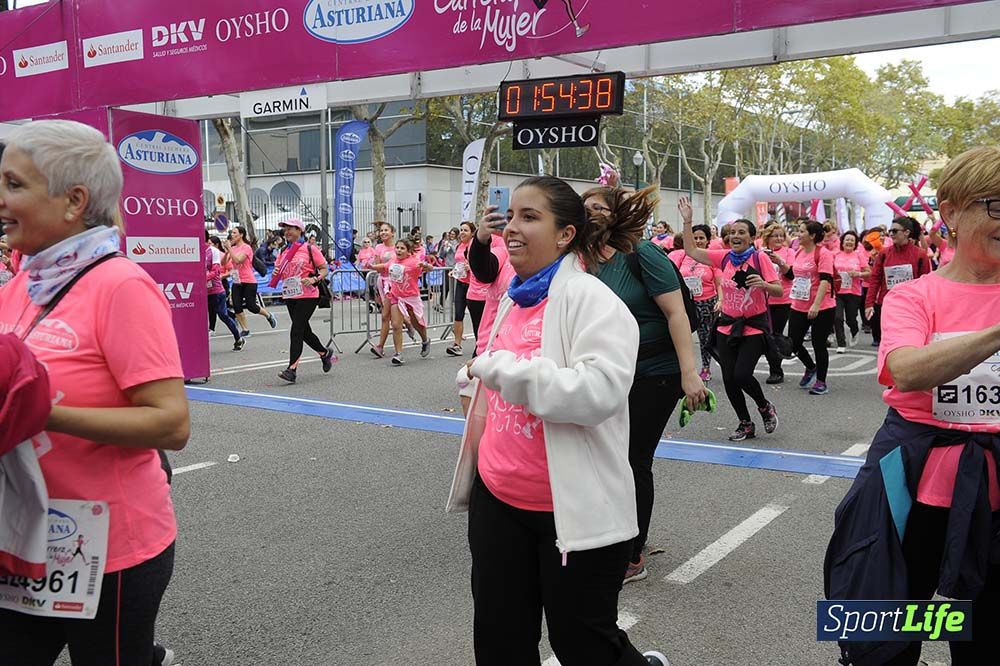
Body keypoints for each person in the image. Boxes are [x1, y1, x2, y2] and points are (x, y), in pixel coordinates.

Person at [446, 175, 668, 666]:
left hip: (571, 512)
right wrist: (475, 381)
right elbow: (497, 380)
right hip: (498, 503)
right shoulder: (515, 297)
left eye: (531, 217)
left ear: (566, 234)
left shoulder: (594, 302)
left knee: (583, 646)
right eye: (512, 217)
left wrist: (499, 370)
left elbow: (597, 393)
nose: (512, 229)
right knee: (500, 642)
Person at [0, 119, 190, 665]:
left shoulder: (121, 285)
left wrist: (46, 415)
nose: (1, 199)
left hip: (110, 550)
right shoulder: (23, 283)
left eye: (15, 185)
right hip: (26, 537)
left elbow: (171, 424)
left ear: (73, 200)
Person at [824, 146, 1000, 666]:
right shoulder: (916, 296)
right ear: (950, 211)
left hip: (994, 491)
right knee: (885, 625)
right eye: (997, 206)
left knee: (984, 631)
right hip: (913, 479)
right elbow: (906, 369)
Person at [583, 184, 708, 584]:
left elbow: (676, 315)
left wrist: (690, 374)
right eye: (583, 207)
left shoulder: (643, 255)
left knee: (633, 458)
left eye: (598, 207)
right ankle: (606, 535)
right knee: (603, 456)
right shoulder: (580, 258)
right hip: (608, 372)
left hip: (657, 372)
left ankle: (632, 554)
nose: (589, 213)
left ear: (617, 214)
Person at [681, 202, 781, 441]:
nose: (735, 236)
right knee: (728, 378)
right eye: (732, 232)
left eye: (741, 232)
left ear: (751, 237)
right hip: (726, 325)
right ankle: (745, 423)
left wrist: (764, 285)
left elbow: (778, 290)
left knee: (742, 374)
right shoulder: (725, 258)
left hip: (753, 327)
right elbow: (692, 251)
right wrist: (687, 221)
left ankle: (764, 407)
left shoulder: (760, 259)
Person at [268, 218, 337, 383]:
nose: (287, 232)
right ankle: (324, 353)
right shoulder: (284, 251)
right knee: (304, 331)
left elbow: (324, 269)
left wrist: (314, 280)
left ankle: (292, 370)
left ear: (300, 230)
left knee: (296, 330)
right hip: (290, 295)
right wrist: (276, 272)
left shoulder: (310, 249)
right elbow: (278, 272)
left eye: (290, 228)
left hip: (308, 295)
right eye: (285, 229)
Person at [784, 219, 838, 396]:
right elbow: (792, 274)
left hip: (822, 306)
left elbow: (825, 279)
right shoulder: (799, 251)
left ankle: (821, 382)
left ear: (813, 235)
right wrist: (779, 262)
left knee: (818, 344)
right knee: (793, 342)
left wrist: (816, 304)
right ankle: (810, 367)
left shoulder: (823, 254)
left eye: (801, 231)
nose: (798, 234)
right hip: (799, 303)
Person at [865, 216, 932, 348]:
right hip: (888, 304)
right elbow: (875, 279)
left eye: (895, 231)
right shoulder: (884, 254)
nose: (891, 234)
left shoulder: (920, 254)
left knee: (909, 341)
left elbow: (925, 283)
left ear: (906, 232)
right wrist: (869, 303)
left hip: (911, 306)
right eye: (890, 231)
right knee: (889, 342)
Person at [668, 222, 722, 381]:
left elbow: (720, 282)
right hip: (686, 303)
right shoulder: (681, 255)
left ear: (707, 240)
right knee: (680, 335)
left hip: (706, 302)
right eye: (695, 238)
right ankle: (681, 368)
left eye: (701, 238)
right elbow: (673, 277)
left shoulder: (711, 257)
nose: (698, 241)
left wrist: (721, 300)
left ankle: (706, 368)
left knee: (705, 338)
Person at [385, 238, 435, 365]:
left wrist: (426, 266)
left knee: (416, 322)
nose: (399, 250)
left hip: (411, 296)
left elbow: (430, 268)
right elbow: (384, 267)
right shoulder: (393, 260)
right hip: (396, 296)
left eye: (402, 248)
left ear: (408, 251)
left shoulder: (414, 262)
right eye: (397, 248)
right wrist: (372, 266)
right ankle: (399, 354)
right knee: (396, 325)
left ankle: (425, 340)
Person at [223, 226, 277, 337]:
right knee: (237, 306)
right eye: (231, 233)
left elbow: (238, 260)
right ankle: (245, 329)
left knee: (251, 306)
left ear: (241, 235)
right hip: (237, 281)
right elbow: (223, 263)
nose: (232, 235)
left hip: (249, 280)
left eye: (234, 233)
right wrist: (227, 250)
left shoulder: (246, 248)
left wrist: (230, 250)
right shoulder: (232, 248)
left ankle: (268, 315)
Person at [760, 223, 795, 385]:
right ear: (768, 238)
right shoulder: (760, 253)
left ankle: (776, 371)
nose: (779, 238)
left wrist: (780, 262)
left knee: (775, 335)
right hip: (763, 299)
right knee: (766, 335)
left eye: (781, 235)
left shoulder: (789, 252)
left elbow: (791, 275)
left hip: (782, 299)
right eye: (775, 235)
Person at [205, 230, 244, 351]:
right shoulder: (192, 250)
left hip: (216, 291)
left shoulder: (213, 251)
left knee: (223, 315)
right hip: (200, 291)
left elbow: (216, 270)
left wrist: (202, 279)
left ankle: (238, 338)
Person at [832, 231, 869, 353]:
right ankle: (841, 343)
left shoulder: (859, 256)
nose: (849, 242)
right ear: (842, 242)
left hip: (853, 292)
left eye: (852, 240)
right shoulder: (835, 254)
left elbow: (869, 273)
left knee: (851, 319)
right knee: (837, 318)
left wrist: (858, 274)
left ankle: (854, 330)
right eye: (847, 240)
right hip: (838, 291)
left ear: (855, 243)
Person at [370, 222, 399, 358]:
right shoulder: (378, 247)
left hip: (394, 283)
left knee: (386, 316)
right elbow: (377, 266)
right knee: (389, 315)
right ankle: (409, 325)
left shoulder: (398, 247)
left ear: (392, 232)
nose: (383, 233)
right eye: (381, 230)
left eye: (386, 230)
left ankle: (380, 346)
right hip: (382, 282)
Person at [447, 221, 475, 356]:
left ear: (472, 233)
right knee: (458, 314)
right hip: (461, 282)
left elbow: (483, 264)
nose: (462, 232)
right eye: (461, 230)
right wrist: (454, 271)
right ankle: (457, 345)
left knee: (477, 316)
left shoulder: (475, 246)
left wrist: (473, 267)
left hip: (474, 285)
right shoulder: (460, 245)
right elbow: (459, 262)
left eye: (466, 230)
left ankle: (482, 344)